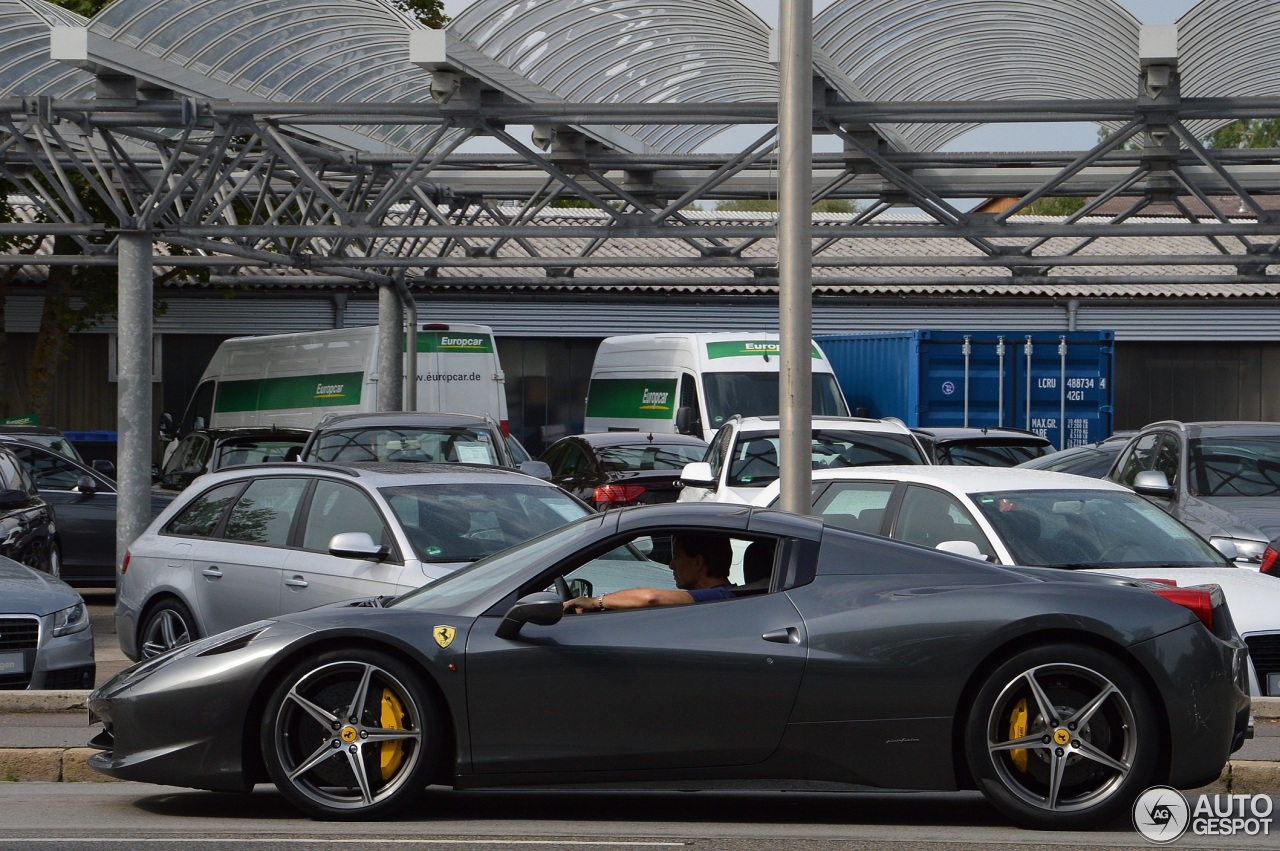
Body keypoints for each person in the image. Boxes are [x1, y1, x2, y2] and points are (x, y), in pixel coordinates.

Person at [564, 532, 735, 613]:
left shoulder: (720, 597)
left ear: (698, 562)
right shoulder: (723, 597)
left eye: (676, 556)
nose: (671, 565)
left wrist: (596, 602)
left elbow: (651, 598)